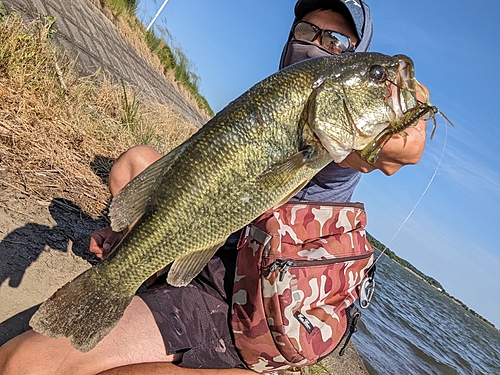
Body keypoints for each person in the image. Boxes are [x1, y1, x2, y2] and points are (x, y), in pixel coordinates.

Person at [0, 1, 428, 374]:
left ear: (349, 60)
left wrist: (399, 115)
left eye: (335, 41)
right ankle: (139, 267)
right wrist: (134, 236)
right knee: (135, 162)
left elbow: (398, 149)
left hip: (249, 293)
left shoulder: (343, 140)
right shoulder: (273, 100)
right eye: (305, 32)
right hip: (218, 246)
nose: (315, 45)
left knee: (25, 364)